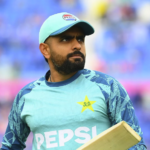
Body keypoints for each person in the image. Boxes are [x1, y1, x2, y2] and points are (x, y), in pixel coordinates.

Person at [0, 12, 147, 150]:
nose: (77, 45)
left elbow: (136, 143)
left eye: (80, 39)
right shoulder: (26, 96)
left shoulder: (108, 87)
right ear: (45, 50)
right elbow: (10, 146)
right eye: (66, 39)